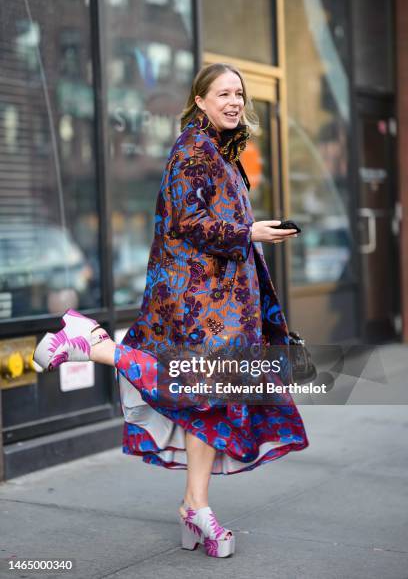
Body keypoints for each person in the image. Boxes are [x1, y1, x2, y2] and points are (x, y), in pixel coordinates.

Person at [33, 62, 309, 559]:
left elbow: (215, 221)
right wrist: (251, 233)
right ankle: (87, 343)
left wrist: (252, 229)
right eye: (223, 93)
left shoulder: (220, 152)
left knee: (210, 405)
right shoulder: (193, 149)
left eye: (240, 95)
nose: (234, 102)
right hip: (194, 304)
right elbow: (190, 221)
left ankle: (194, 508)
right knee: (187, 385)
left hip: (219, 304)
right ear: (199, 100)